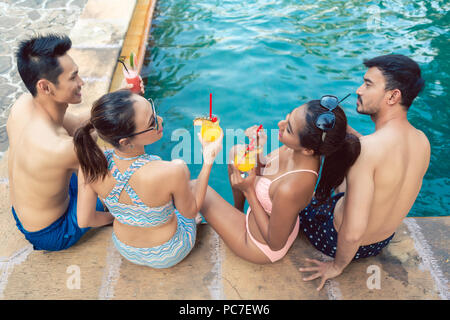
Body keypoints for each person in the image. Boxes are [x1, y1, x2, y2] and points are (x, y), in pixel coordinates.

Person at [298, 54, 430, 291]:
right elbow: (382, 159)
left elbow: (352, 232)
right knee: (349, 157)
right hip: (381, 240)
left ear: (393, 95)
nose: (359, 90)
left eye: (368, 84)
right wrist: (347, 131)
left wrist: (336, 267)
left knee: (299, 161)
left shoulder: (368, 151)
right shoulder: (421, 141)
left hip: (336, 240)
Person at [6, 34, 136, 251]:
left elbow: (78, 124)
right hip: (52, 230)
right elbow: (88, 216)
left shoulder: (25, 105)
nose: (81, 82)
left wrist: (122, 93)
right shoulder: (63, 148)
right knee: (128, 179)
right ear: (45, 87)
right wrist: (116, 217)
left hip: (27, 212)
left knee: (96, 162)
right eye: (73, 77)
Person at [198, 96, 361, 264]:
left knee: (195, 188)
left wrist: (249, 192)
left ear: (307, 150)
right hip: (273, 217)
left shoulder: (292, 187)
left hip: (260, 245)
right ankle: (237, 211)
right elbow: (266, 169)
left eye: (288, 129)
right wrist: (257, 147)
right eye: (288, 117)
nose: (280, 125)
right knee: (236, 153)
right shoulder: (296, 149)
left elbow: (275, 243)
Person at [73, 90, 223, 268]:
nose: (160, 120)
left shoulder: (90, 165)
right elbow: (190, 211)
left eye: (153, 111)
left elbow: (84, 220)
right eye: (152, 122)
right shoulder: (172, 171)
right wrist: (208, 160)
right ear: (125, 141)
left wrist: (121, 217)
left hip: (126, 248)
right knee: (191, 190)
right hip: (169, 252)